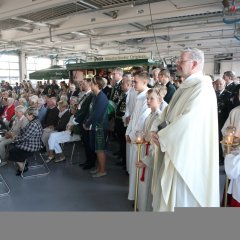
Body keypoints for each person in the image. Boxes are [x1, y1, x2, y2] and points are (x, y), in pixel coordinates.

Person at [150, 48, 219, 211]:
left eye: (181, 61)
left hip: (186, 157)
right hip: (174, 149)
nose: (177, 64)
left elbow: (189, 121)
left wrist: (162, 136)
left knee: (181, 199)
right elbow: (167, 111)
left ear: (194, 63)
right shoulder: (185, 86)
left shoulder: (203, 89)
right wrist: (155, 128)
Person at [135, 87, 167, 211]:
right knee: (143, 185)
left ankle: (147, 209)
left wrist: (146, 160)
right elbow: (145, 133)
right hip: (145, 149)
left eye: (151, 98)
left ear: (159, 99)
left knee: (150, 184)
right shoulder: (150, 115)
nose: (148, 101)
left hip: (152, 155)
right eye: (147, 99)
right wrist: (141, 138)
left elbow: (156, 143)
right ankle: (142, 206)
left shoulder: (160, 118)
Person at [125, 71, 151, 202]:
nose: (132, 84)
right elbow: (133, 117)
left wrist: (131, 134)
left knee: (139, 171)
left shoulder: (148, 97)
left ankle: (138, 198)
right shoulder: (139, 95)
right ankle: (134, 195)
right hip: (133, 136)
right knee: (133, 170)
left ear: (145, 82)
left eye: (135, 81)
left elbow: (142, 120)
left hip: (140, 139)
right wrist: (128, 132)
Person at [83, 76, 109, 177]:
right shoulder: (96, 96)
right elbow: (91, 112)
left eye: (92, 83)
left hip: (100, 127)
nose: (91, 85)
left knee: (100, 149)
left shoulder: (101, 97)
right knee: (96, 149)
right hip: (96, 126)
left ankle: (102, 170)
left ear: (97, 85)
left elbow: (96, 114)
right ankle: (99, 168)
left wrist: (87, 123)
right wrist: (87, 122)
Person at [8, 107, 43, 176]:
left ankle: (23, 167)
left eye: (27, 115)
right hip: (30, 142)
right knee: (15, 148)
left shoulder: (33, 124)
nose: (26, 116)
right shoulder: (34, 121)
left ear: (32, 115)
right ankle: (23, 161)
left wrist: (15, 139)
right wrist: (16, 137)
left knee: (12, 151)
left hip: (32, 146)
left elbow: (24, 137)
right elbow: (24, 133)